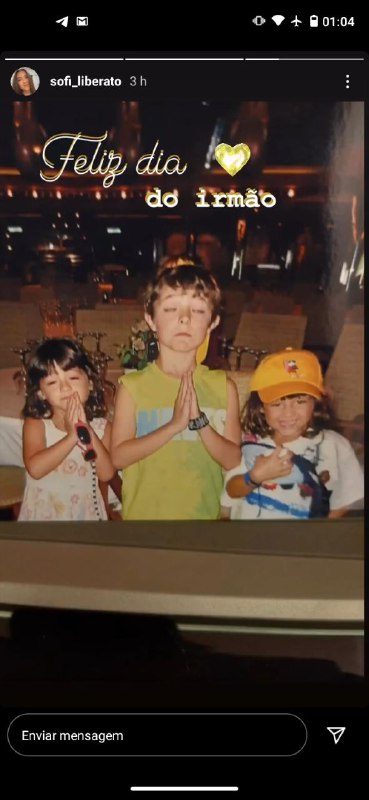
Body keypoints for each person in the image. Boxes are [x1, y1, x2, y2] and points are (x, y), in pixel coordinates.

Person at [111, 264, 241, 520]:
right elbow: (118, 457)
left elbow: (233, 460)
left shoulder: (223, 386)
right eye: (171, 309)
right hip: (144, 520)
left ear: (213, 321)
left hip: (202, 519)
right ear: (150, 319)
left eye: (198, 310)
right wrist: (174, 425)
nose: (184, 318)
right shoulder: (132, 386)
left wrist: (199, 422)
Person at [222, 348, 364, 520]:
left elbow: (346, 500)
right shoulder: (253, 444)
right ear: (260, 407)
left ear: (316, 403)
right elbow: (231, 491)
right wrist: (254, 477)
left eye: (300, 401)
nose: (288, 413)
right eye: (276, 404)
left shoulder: (334, 445)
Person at [18, 338, 115, 521]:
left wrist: (86, 430)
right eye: (53, 382)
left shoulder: (102, 428)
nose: (65, 387)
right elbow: (36, 469)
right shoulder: (37, 423)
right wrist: (72, 437)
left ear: (91, 383)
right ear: (40, 392)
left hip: (84, 512)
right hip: (45, 511)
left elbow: (107, 473)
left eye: (73, 378)